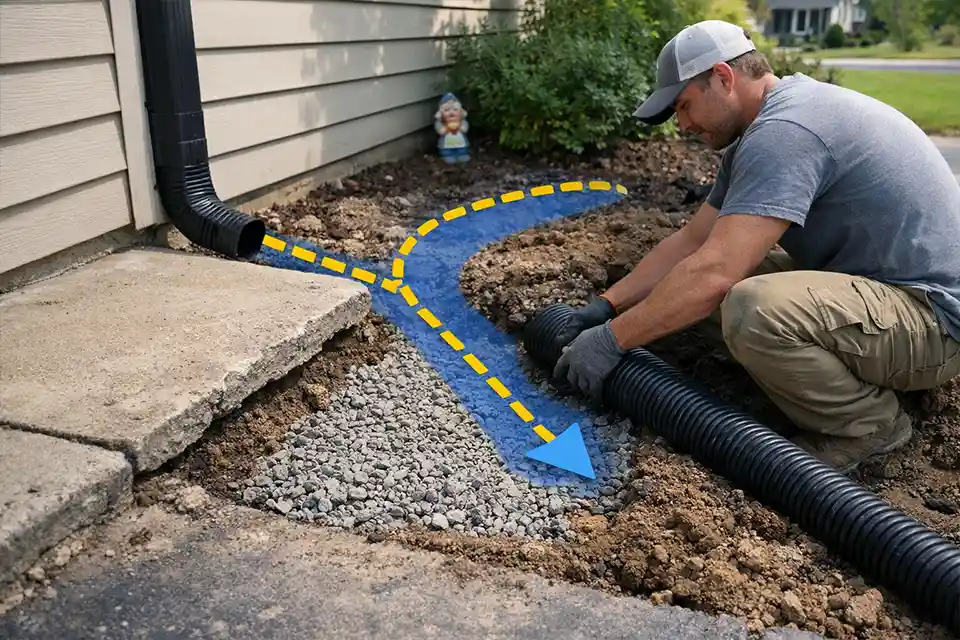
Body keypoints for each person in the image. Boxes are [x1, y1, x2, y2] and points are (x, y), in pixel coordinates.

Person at [552, 19, 960, 473]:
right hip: (885, 298)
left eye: (684, 105)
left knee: (750, 304)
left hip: (933, 323)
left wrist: (612, 342)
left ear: (723, 77)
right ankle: (819, 379)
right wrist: (607, 308)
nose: (682, 124)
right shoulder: (768, 125)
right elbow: (693, 243)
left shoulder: (786, 131)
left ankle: (868, 425)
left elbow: (716, 273)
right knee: (706, 282)